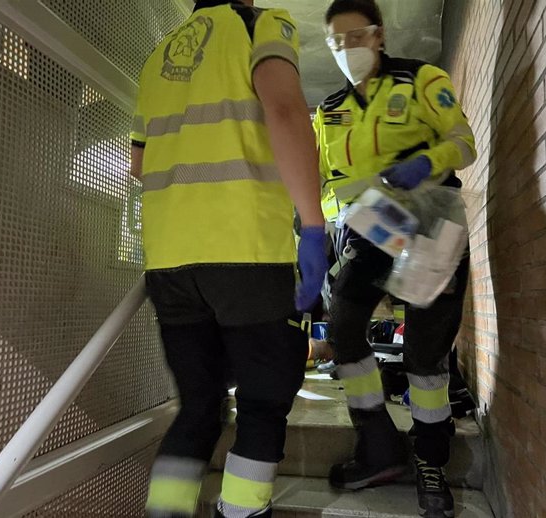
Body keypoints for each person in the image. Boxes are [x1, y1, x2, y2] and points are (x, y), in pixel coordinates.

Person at [130, 1, 327, 516]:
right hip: (247, 252)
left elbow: (139, 162)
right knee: (263, 403)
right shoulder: (259, 22)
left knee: (198, 407)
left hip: (170, 260)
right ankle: (241, 510)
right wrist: (312, 224)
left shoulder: (156, 58)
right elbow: (283, 109)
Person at [313, 1, 476, 517]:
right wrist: (321, 230)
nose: (347, 50)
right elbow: (325, 184)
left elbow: (464, 142)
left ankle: (430, 462)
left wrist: (430, 160)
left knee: (425, 356)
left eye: (356, 37)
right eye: (336, 43)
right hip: (369, 231)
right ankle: (379, 446)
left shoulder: (421, 79)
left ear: (379, 36)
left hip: (431, 223)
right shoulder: (329, 110)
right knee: (342, 326)